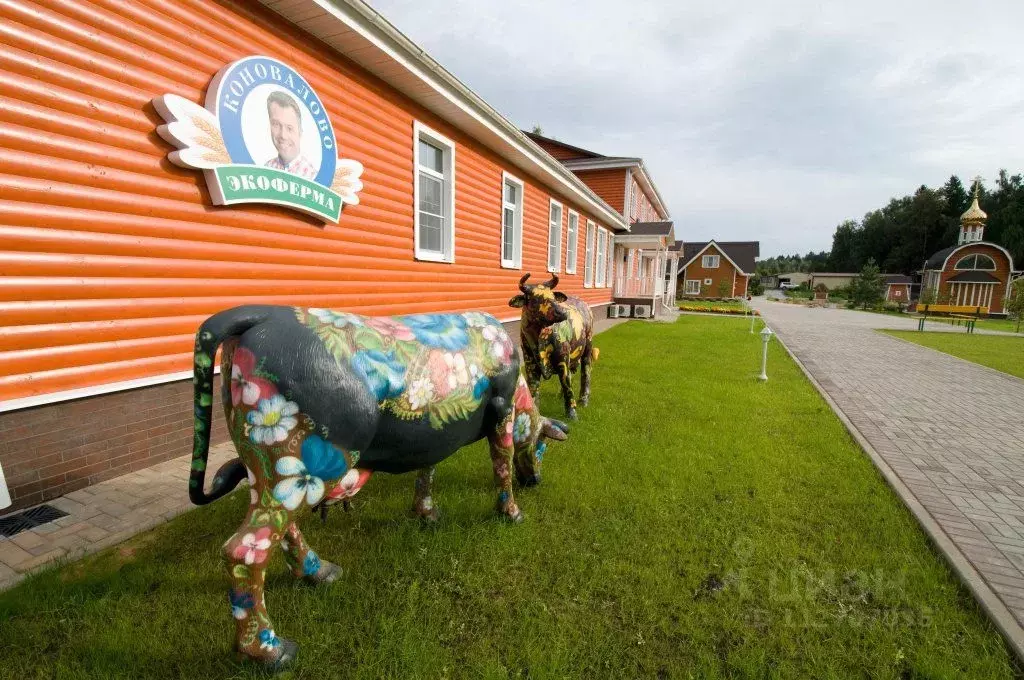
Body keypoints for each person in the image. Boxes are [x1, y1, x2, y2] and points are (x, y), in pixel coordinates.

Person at [264, 91, 316, 180]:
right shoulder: (265, 169)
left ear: (300, 132)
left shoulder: (312, 177)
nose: (283, 135)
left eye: (289, 128)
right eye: (276, 124)